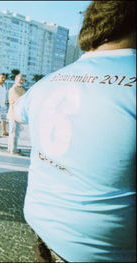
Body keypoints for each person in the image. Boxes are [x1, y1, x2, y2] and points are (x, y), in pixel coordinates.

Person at [14, 1, 136, 261]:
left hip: (43, 228)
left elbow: (16, 111)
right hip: (106, 251)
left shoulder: (47, 82)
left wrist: (16, 93)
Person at [7, 73, 25, 156]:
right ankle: (13, 151)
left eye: (22, 79)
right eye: (20, 79)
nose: (21, 81)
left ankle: (11, 148)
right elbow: (20, 101)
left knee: (14, 133)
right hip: (13, 115)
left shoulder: (21, 89)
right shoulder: (13, 89)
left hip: (18, 115)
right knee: (14, 133)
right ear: (16, 80)